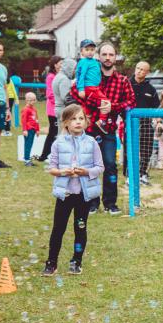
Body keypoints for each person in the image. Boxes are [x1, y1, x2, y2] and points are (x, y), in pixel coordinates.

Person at [70, 42, 135, 215]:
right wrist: (94, 101)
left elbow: (131, 101)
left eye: (111, 55)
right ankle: (91, 202)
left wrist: (113, 107)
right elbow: (74, 91)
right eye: (104, 54)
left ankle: (110, 203)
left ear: (115, 57)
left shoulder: (122, 81)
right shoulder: (91, 74)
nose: (107, 58)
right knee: (89, 165)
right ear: (98, 56)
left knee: (110, 164)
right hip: (89, 129)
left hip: (108, 130)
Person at [42, 104, 104, 276]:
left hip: (83, 195)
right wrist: (63, 172)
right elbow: (52, 168)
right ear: (65, 123)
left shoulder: (91, 143)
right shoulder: (58, 143)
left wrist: (86, 172)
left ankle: (76, 262)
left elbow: (100, 167)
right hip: (65, 194)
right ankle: (51, 263)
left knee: (80, 228)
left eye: (81, 118)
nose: (78, 122)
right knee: (58, 229)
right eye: (73, 119)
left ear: (86, 122)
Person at [129, 61, 160, 185]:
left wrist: (158, 122)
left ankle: (143, 174)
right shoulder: (127, 85)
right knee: (130, 150)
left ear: (147, 72)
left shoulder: (151, 89)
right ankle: (130, 176)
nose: (139, 71)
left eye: (143, 69)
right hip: (130, 123)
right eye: (138, 68)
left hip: (146, 124)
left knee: (146, 150)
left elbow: (156, 108)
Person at [74, 39, 109, 132]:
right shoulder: (83, 62)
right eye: (87, 49)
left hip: (95, 87)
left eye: (92, 50)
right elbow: (80, 75)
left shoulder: (95, 61)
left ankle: (86, 123)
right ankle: (102, 121)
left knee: (88, 107)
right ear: (82, 51)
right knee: (105, 101)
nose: (90, 52)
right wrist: (80, 89)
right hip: (89, 87)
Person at [39, 56, 63, 161]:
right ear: (55, 64)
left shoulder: (60, 76)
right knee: (53, 133)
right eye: (60, 63)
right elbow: (50, 94)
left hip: (60, 109)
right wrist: (60, 102)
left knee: (57, 132)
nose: (62, 65)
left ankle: (49, 154)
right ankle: (44, 155)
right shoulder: (51, 77)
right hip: (53, 110)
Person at [52, 58, 77, 127]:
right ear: (69, 68)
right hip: (64, 109)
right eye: (74, 69)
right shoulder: (64, 79)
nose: (75, 71)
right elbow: (66, 98)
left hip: (60, 109)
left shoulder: (58, 76)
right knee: (65, 132)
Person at [20, 92, 40, 166]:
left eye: (34, 100)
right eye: (31, 100)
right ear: (27, 100)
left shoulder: (34, 109)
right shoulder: (25, 110)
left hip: (33, 130)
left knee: (30, 144)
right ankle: (26, 160)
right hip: (28, 129)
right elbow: (24, 120)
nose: (33, 101)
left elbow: (36, 120)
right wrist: (24, 130)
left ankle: (27, 158)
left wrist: (37, 129)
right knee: (28, 144)